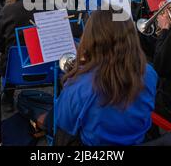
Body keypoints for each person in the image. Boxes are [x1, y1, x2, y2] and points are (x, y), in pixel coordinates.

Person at [50, 9, 158, 146]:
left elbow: (64, 122)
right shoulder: (149, 73)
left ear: (91, 38)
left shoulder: (80, 85)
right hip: (138, 140)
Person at [0, 0, 51, 111]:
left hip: (15, 68)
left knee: (8, 54)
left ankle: (8, 96)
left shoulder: (9, 9)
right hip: (48, 66)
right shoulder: (54, 6)